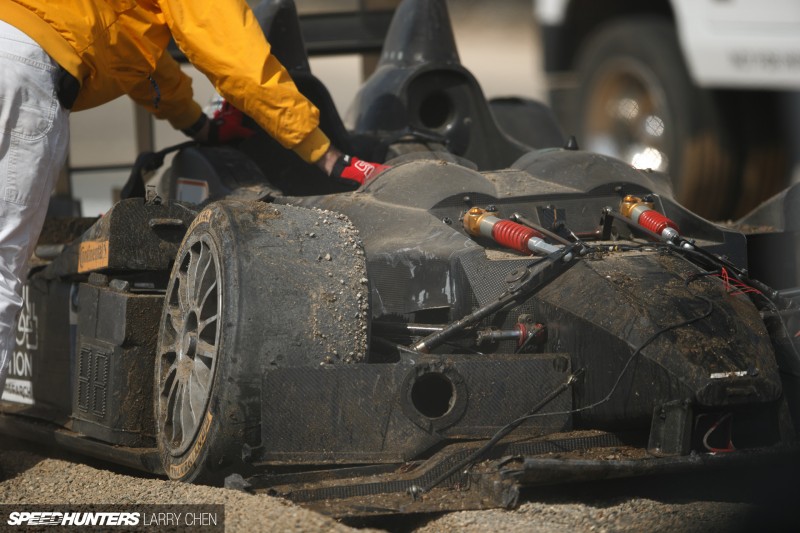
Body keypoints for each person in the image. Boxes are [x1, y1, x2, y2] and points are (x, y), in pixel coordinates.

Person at [0, 0, 389, 393]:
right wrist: (326, 155)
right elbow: (234, 56)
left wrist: (196, 123)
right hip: (24, 70)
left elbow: (132, 52)